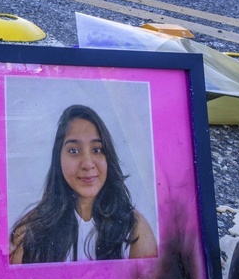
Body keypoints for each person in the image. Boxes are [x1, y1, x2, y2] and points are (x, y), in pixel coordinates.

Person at [10, 104, 157, 264]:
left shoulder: (136, 230)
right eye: (73, 151)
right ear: (58, 159)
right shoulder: (29, 232)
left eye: (97, 150)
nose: (87, 164)